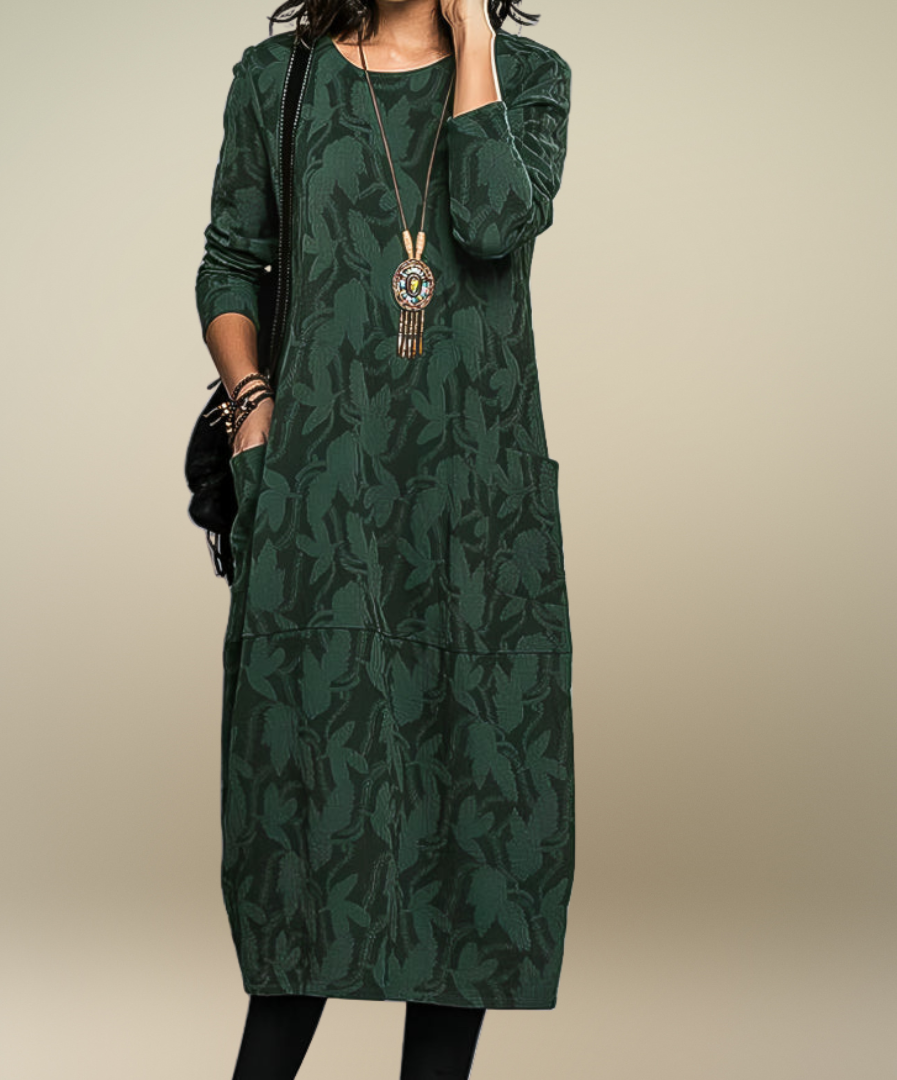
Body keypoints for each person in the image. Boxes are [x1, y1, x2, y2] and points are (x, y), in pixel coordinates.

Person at [194, 0, 575, 1075]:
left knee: (475, 815)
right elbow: (230, 262)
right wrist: (254, 405)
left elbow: (493, 225)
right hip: (325, 504)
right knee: (306, 817)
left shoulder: (530, 78)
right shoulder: (280, 80)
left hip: (476, 514)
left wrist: (475, 40)